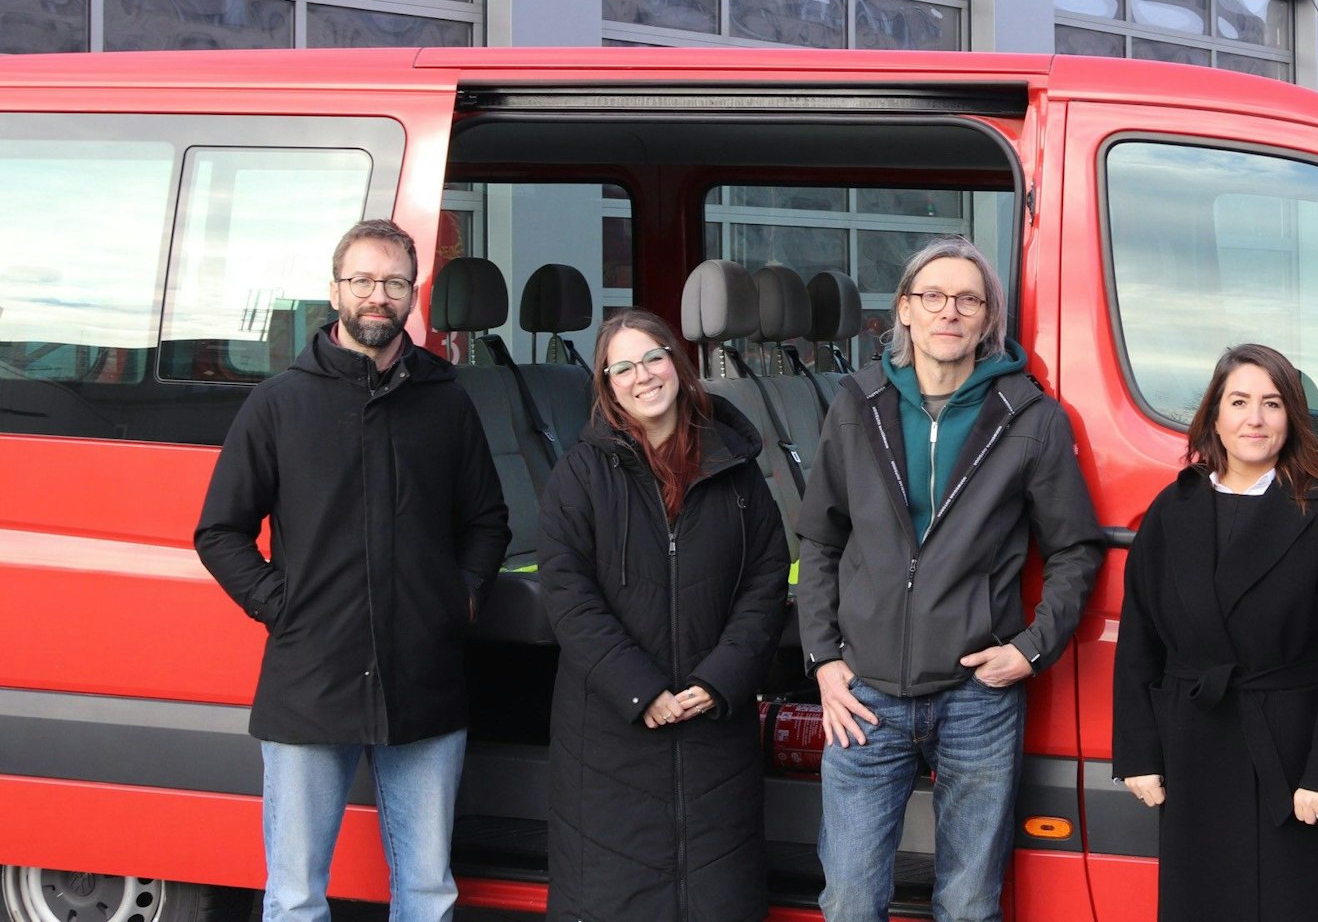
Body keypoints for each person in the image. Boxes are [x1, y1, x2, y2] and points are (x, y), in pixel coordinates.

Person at [195, 219, 510, 922]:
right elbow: (219, 531)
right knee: (297, 894)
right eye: (363, 279)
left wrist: (457, 599)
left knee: (428, 892)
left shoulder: (447, 401)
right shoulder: (279, 402)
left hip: (424, 682)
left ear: (412, 293)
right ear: (334, 288)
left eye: (394, 281)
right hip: (309, 684)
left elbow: (488, 520)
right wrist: (286, 607)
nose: (378, 295)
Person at [794, 236, 1105, 922]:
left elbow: (1076, 548)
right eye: (931, 295)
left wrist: (1029, 648)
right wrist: (822, 659)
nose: (949, 311)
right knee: (848, 900)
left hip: (976, 697)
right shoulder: (858, 403)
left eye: (968, 298)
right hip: (865, 694)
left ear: (988, 314)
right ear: (903, 309)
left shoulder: (1029, 417)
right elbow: (820, 536)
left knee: (968, 904)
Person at [1111, 343, 1318, 921]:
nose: (1254, 419)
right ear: (1214, 414)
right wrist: (1139, 752)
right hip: (1196, 750)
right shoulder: (1172, 509)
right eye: (1239, 402)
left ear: (1293, 417)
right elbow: (1139, 637)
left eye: (1271, 403)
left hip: (1295, 761)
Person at [536, 307, 789, 922]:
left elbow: (766, 577)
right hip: (609, 739)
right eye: (622, 367)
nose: (642, 375)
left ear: (678, 363)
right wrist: (640, 690)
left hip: (713, 732)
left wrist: (719, 680)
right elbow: (567, 594)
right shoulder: (580, 472)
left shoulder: (734, 466)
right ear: (606, 385)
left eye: (653, 357)